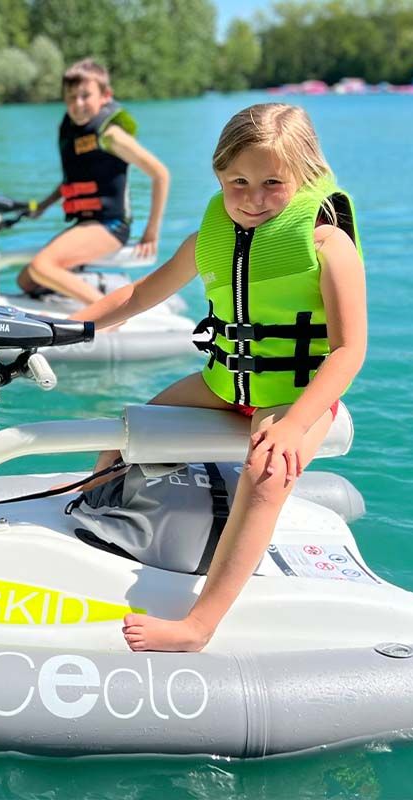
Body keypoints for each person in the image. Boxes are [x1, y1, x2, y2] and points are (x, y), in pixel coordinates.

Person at [71, 103, 367, 652]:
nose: (253, 198)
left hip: (295, 396)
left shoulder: (328, 246)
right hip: (224, 384)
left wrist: (294, 424)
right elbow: (139, 295)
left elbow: (349, 351)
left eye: (273, 183)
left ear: (304, 175)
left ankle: (197, 626)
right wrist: (66, 329)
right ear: (218, 176)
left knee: (266, 474)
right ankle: (90, 514)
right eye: (238, 182)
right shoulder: (210, 238)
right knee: (128, 431)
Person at [16, 58, 169, 309]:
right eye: (71, 97)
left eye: (85, 96)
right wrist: (43, 205)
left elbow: (160, 174)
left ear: (105, 96)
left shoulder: (110, 135)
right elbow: (71, 182)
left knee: (41, 266)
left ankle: (112, 313)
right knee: (27, 281)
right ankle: (89, 289)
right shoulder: (71, 130)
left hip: (111, 226)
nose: (77, 104)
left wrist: (151, 232)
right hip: (85, 223)